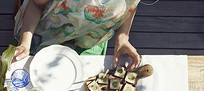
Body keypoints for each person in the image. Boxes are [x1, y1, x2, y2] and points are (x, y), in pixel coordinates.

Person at [13, 0, 142, 69]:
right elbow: (36, 4)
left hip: (88, 39)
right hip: (42, 34)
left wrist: (123, 38)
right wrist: (24, 43)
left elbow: (131, 5)